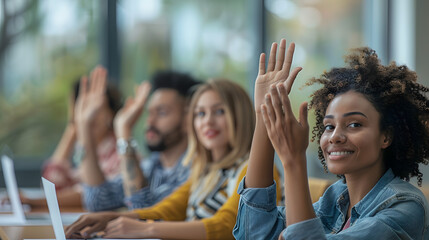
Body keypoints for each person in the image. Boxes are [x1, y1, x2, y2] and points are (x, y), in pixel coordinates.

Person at [233, 39, 429, 239]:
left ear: (386, 136)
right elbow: (254, 233)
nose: (335, 136)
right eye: (329, 126)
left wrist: (293, 160)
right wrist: (263, 116)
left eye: (354, 124)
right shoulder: (334, 200)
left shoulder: (405, 205)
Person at [65, 79, 283, 239]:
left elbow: (227, 225)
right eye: (200, 113)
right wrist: (111, 218)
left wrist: (146, 229)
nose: (207, 122)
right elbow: (165, 211)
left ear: (241, 116)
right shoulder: (206, 170)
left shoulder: (255, 170)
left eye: (219, 112)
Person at [80, 70, 199, 211]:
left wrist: (124, 132)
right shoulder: (152, 166)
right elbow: (97, 200)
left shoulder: (195, 169)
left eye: (162, 113)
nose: (150, 122)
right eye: (149, 113)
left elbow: (144, 212)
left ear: (188, 120)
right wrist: (84, 125)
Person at [21, 71, 122, 209]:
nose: (89, 115)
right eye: (83, 107)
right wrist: (73, 126)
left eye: (96, 108)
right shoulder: (86, 148)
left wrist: (32, 201)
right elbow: (51, 183)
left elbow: (89, 195)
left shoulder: (120, 152)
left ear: (111, 113)